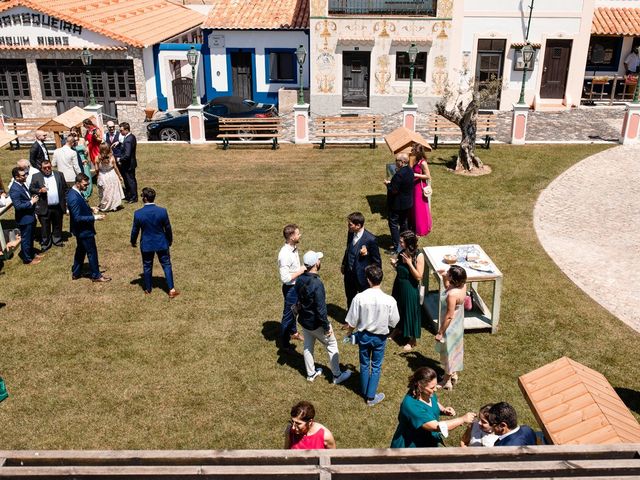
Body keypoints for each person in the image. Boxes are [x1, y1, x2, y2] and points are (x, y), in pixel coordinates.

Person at [345, 265, 399, 407]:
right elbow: (394, 320)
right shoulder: (390, 300)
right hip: (380, 338)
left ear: (368, 280)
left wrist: (349, 334)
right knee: (376, 366)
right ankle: (370, 396)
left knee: (364, 364)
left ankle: (365, 391)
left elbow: (352, 320)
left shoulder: (359, 297)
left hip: (363, 336)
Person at [295, 250, 351, 384]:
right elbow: (321, 309)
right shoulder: (317, 284)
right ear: (315, 264)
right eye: (318, 260)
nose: (320, 262)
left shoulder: (300, 279)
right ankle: (337, 375)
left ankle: (311, 373)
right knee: (332, 344)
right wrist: (326, 327)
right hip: (316, 323)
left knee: (308, 347)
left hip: (304, 320)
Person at [390, 367, 476, 448]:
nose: (435, 389)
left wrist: (443, 410)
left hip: (428, 441)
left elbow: (434, 402)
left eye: (435, 385)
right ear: (419, 385)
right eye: (432, 387)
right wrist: (462, 419)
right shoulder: (411, 406)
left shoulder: (426, 393)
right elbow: (435, 427)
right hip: (410, 448)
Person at [130, 187, 179, 298]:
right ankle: (171, 289)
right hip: (161, 242)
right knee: (166, 265)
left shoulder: (138, 213)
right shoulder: (162, 211)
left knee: (147, 265)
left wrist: (133, 241)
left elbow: (135, 230)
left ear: (145, 198)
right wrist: (170, 240)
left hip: (147, 244)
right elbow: (168, 228)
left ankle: (148, 289)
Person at [67, 173, 110, 282]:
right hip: (83, 230)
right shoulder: (73, 197)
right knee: (91, 252)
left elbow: (79, 208)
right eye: (85, 185)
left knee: (81, 250)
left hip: (81, 230)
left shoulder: (75, 193)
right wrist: (94, 217)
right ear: (77, 183)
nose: (87, 187)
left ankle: (76, 273)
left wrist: (90, 208)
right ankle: (96, 275)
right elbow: (77, 217)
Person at [390, 230, 425, 351]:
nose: (399, 243)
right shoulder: (402, 251)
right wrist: (395, 265)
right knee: (398, 307)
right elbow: (401, 269)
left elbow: (419, 276)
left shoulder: (418, 255)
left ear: (408, 242)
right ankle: (398, 328)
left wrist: (410, 263)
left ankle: (412, 339)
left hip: (410, 287)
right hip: (399, 284)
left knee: (410, 311)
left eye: (401, 241)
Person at [435, 265, 467, 390]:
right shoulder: (463, 286)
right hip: (458, 323)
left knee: (449, 351)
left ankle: (446, 381)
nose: (447, 272)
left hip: (450, 326)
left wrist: (441, 332)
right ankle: (453, 372)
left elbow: (449, 316)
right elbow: (449, 287)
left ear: (453, 278)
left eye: (449, 272)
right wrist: (444, 276)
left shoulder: (452, 295)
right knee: (454, 350)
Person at [341, 212, 381, 309]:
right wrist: (344, 265)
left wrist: (373, 278)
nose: (348, 226)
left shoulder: (371, 239)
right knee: (350, 297)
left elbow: (377, 262)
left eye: (350, 224)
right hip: (349, 274)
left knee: (365, 301)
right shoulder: (351, 233)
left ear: (358, 225)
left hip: (363, 277)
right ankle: (350, 320)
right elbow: (348, 250)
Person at [277, 224, 305, 351]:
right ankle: (284, 344)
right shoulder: (284, 255)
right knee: (287, 316)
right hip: (291, 290)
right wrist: (302, 270)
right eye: (298, 233)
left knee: (295, 311)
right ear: (291, 236)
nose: (300, 235)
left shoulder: (293, 247)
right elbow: (285, 278)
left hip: (296, 287)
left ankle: (293, 333)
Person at [29, 159, 67, 251]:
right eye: (45, 168)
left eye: (49, 167)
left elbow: (65, 188)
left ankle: (57, 240)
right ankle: (45, 243)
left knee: (57, 224)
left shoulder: (59, 175)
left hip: (58, 206)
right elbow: (31, 188)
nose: (47, 169)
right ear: (41, 168)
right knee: (45, 226)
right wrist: (39, 190)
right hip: (44, 206)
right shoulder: (36, 176)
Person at [8, 167, 41, 265]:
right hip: (24, 219)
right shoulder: (14, 189)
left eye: (25, 174)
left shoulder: (22, 184)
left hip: (30, 216)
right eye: (23, 175)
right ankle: (27, 259)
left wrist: (30, 198)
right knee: (26, 239)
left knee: (30, 237)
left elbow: (24, 198)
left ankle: (31, 253)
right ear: (16, 177)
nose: (26, 176)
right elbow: (18, 206)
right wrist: (31, 202)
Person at [384, 153, 413, 253]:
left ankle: (397, 246)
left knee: (393, 224)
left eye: (397, 160)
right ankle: (406, 242)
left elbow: (394, 190)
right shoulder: (410, 170)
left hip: (397, 204)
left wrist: (388, 185)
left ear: (402, 162)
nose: (395, 162)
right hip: (407, 202)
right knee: (404, 223)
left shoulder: (399, 175)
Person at [410, 144, 432, 237]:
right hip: (414, 186)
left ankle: (421, 229)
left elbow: (428, 176)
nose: (412, 151)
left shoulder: (423, 162)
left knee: (420, 208)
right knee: (414, 207)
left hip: (420, 187)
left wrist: (415, 175)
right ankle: (414, 226)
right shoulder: (416, 160)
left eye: (414, 150)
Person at [96, 143, 125, 212]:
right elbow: (115, 167)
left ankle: (105, 206)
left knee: (104, 191)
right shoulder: (111, 157)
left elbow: (97, 169)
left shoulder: (97, 158)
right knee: (113, 191)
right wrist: (120, 176)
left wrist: (97, 176)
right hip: (112, 175)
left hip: (103, 175)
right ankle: (113, 206)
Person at [71, 127, 93, 199]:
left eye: (74, 132)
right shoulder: (71, 141)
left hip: (84, 158)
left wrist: (87, 155)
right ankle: (81, 191)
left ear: (77, 132)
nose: (73, 133)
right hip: (76, 159)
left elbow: (86, 149)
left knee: (86, 174)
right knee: (79, 174)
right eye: (72, 132)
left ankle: (87, 190)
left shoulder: (82, 139)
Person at [118, 122, 138, 203]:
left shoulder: (128, 140)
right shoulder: (131, 137)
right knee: (131, 180)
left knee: (130, 181)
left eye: (121, 130)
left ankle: (133, 197)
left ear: (126, 130)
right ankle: (131, 195)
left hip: (128, 164)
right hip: (131, 163)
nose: (120, 132)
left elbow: (127, 155)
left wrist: (120, 159)